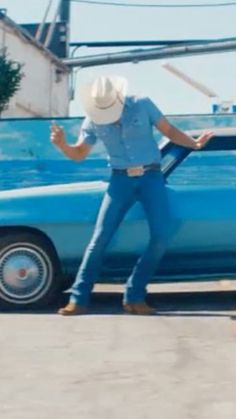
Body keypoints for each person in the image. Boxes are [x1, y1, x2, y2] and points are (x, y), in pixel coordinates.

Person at [50, 75, 214, 316]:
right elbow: (80, 153)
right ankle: (78, 298)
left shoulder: (142, 104)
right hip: (119, 180)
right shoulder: (93, 118)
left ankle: (134, 295)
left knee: (162, 234)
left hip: (151, 177)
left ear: (118, 97)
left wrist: (194, 144)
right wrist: (62, 145)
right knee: (100, 238)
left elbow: (169, 130)